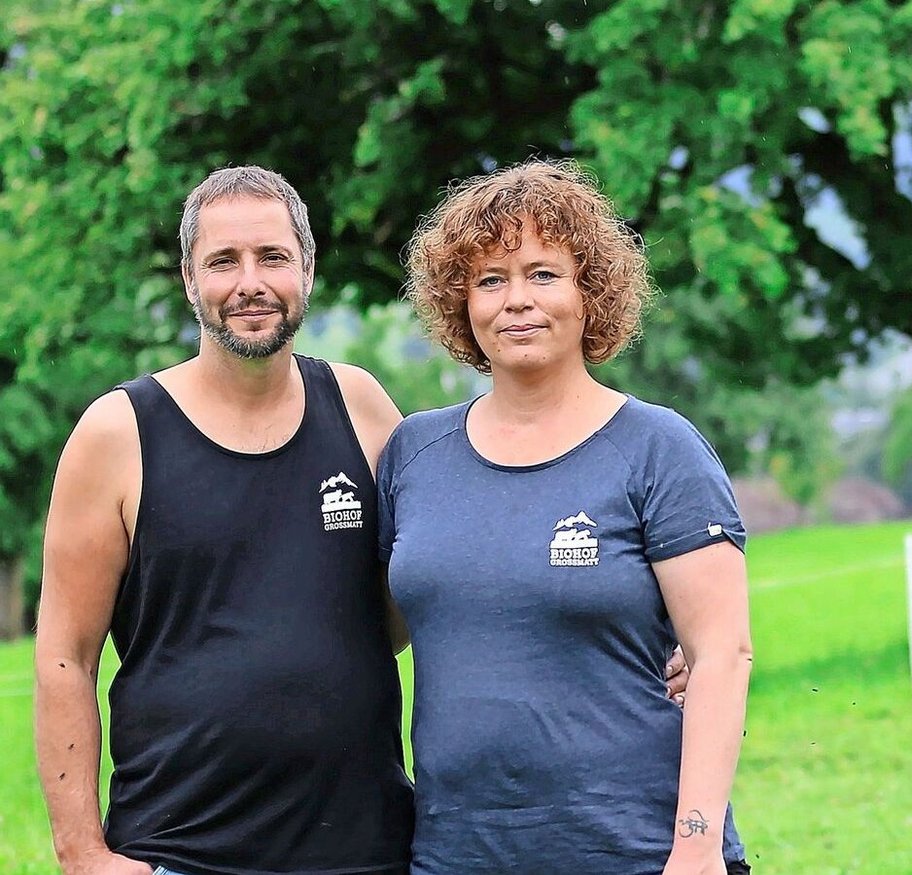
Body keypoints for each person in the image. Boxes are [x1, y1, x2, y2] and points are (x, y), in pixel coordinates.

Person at [33, 166, 416, 875]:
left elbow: (439, 588)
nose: (250, 282)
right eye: (223, 261)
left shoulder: (362, 410)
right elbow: (65, 655)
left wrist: (656, 641)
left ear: (306, 268)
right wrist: (82, 853)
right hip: (182, 852)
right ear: (189, 279)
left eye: (272, 256)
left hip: (365, 849)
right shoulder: (118, 435)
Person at [383, 159, 754, 874]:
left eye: (543, 274)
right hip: (455, 856)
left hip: (637, 852)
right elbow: (374, 634)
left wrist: (697, 844)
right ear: (460, 303)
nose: (516, 299)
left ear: (591, 292)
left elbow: (721, 655)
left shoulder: (659, 448)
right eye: (490, 280)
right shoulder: (413, 453)